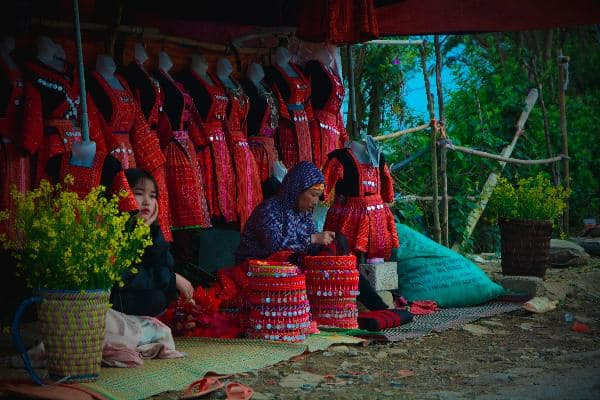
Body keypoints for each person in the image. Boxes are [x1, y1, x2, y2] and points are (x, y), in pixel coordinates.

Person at [110, 168, 195, 317]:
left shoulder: (151, 229)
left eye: (152, 196)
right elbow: (126, 277)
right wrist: (172, 279)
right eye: (139, 193)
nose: (147, 202)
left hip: (143, 299)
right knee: (153, 297)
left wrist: (152, 231)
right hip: (116, 301)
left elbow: (165, 265)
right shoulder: (113, 228)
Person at [235, 161, 335, 263]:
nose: (315, 201)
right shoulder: (269, 210)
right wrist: (313, 239)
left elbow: (310, 248)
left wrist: (327, 243)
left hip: (284, 269)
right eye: (313, 195)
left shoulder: (304, 215)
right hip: (252, 267)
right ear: (297, 189)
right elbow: (276, 246)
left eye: (318, 196)